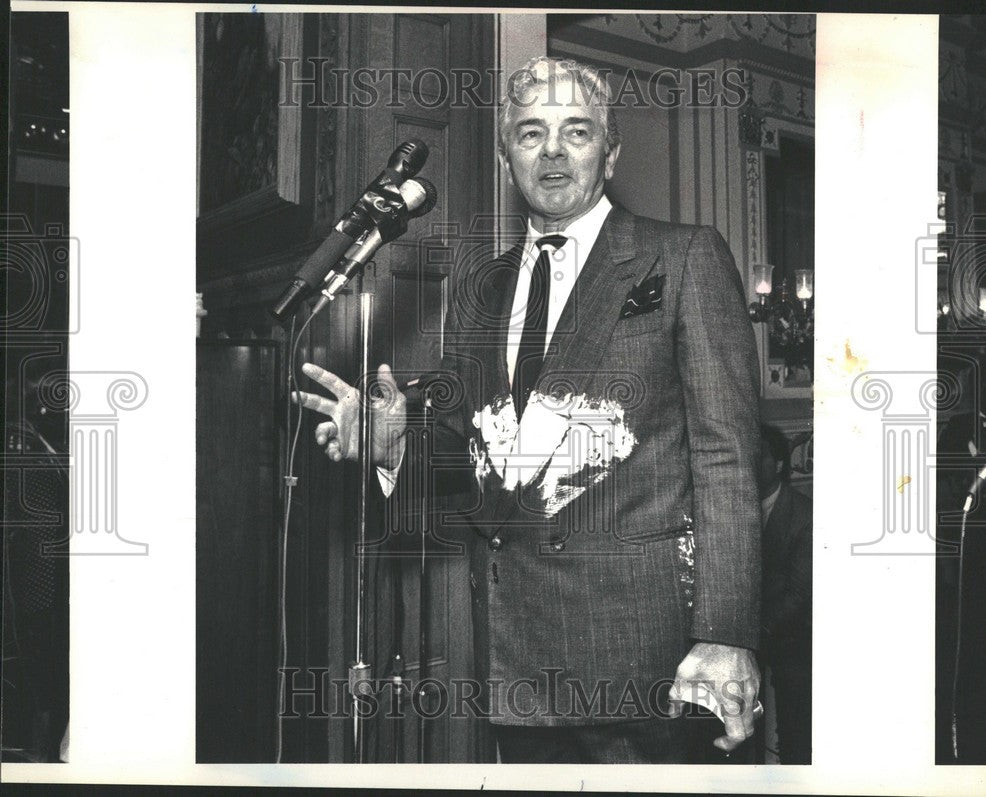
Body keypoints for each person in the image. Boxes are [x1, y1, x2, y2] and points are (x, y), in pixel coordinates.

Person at [294, 57, 762, 764]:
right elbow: (477, 456)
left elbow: (726, 458)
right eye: (531, 133)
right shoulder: (482, 288)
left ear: (610, 154)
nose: (552, 151)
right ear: (507, 154)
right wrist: (395, 446)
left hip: (650, 664)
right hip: (515, 656)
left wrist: (726, 633)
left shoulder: (684, 257)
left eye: (576, 132)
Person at [757, 424, 812, 764]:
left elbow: (798, 595)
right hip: (751, 634)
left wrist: (752, 633)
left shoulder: (805, 515)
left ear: (778, 464)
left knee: (796, 729)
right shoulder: (734, 510)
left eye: (757, 456)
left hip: (793, 638)